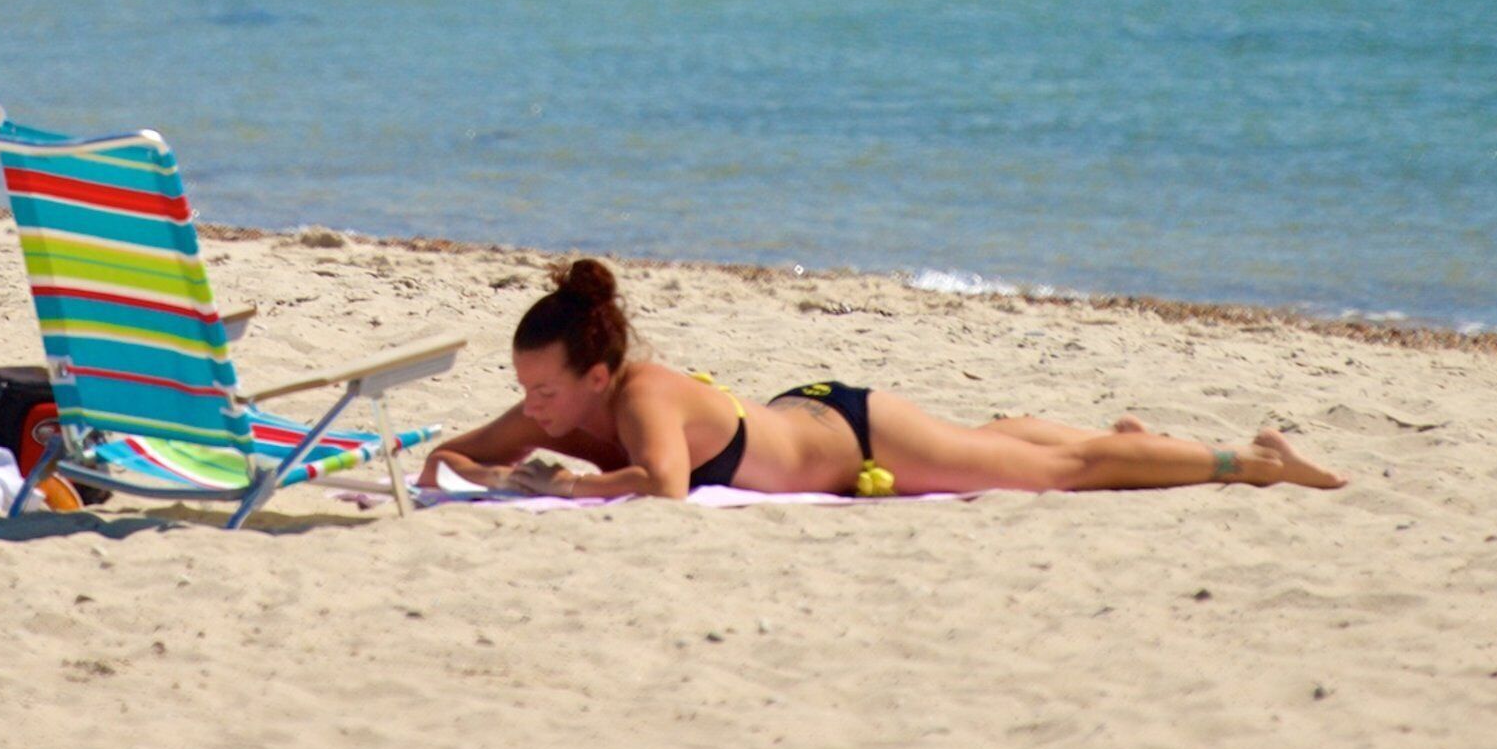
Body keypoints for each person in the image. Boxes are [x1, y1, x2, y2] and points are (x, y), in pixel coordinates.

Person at [418, 259, 1347, 500]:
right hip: (814, 421)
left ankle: (1253, 459)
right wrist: (448, 467)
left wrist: (570, 481)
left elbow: (660, 486)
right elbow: (461, 451)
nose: (531, 407)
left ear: (597, 373)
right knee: (1002, 449)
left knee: (1064, 477)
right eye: (525, 389)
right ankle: (1122, 440)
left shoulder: (643, 395)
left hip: (860, 438)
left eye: (543, 390)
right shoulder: (555, 410)